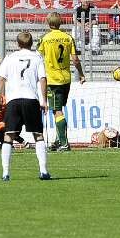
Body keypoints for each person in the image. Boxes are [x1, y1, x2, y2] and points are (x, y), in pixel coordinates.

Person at [0, 31, 50, 181]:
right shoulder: (37, 58)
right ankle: (44, 171)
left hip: (13, 100)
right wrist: (44, 100)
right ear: (31, 43)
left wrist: (0, 99)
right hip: (31, 99)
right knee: (38, 135)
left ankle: (5, 173)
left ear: (18, 44)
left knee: (9, 135)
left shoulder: (10, 58)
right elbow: (43, 79)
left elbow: (1, 79)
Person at [36, 12, 84, 153]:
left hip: (52, 80)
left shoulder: (44, 39)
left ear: (48, 23)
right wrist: (81, 74)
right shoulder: (68, 38)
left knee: (57, 111)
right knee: (59, 109)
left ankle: (64, 143)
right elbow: (75, 59)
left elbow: (38, 57)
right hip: (66, 79)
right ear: (60, 23)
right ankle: (58, 139)